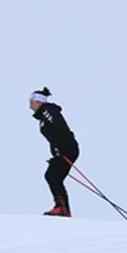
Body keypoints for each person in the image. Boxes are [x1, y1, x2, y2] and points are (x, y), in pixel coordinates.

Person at [29, 87, 79, 217]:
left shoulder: (47, 111)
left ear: (39, 102)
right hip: (65, 149)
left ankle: (62, 208)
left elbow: (59, 128)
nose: (30, 107)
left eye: (31, 103)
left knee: (52, 176)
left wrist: (60, 150)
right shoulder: (44, 114)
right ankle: (63, 208)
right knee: (53, 176)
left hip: (67, 148)